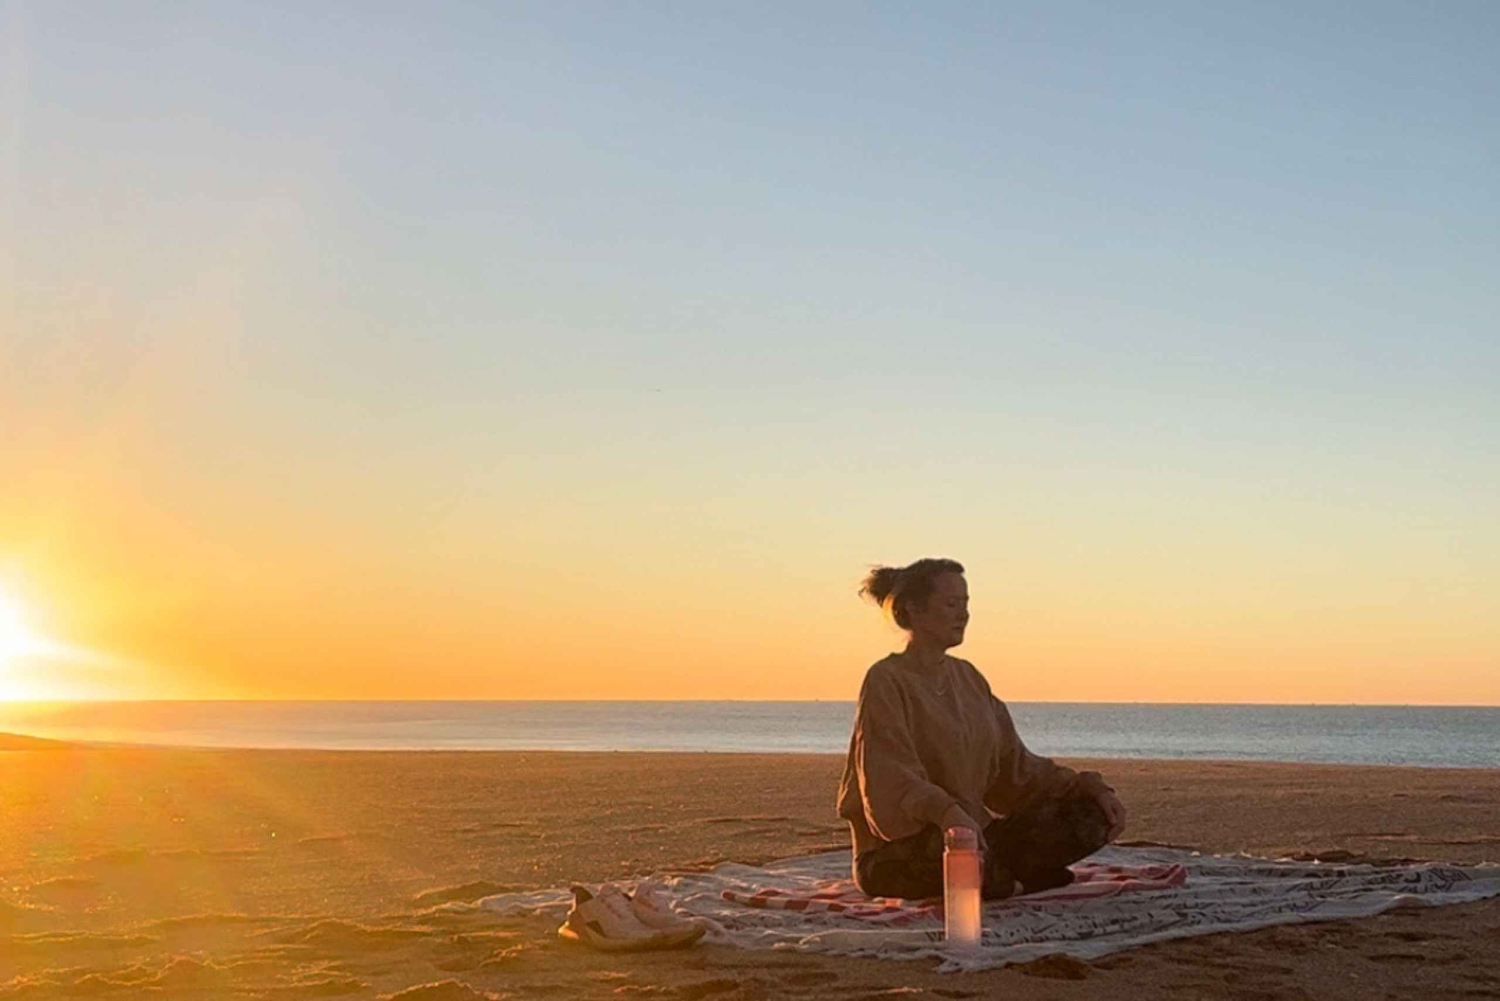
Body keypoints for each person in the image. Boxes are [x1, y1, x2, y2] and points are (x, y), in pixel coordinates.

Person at [837, 558, 1127, 900]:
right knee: (954, 856)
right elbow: (889, 778)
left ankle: (1004, 880)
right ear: (913, 610)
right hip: (901, 850)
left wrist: (1090, 788)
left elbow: (1017, 769)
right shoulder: (886, 680)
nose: (963, 615)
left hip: (978, 838)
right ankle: (1013, 881)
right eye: (950, 604)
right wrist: (948, 815)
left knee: (1089, 818)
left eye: (966, 604)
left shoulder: (969, 679)